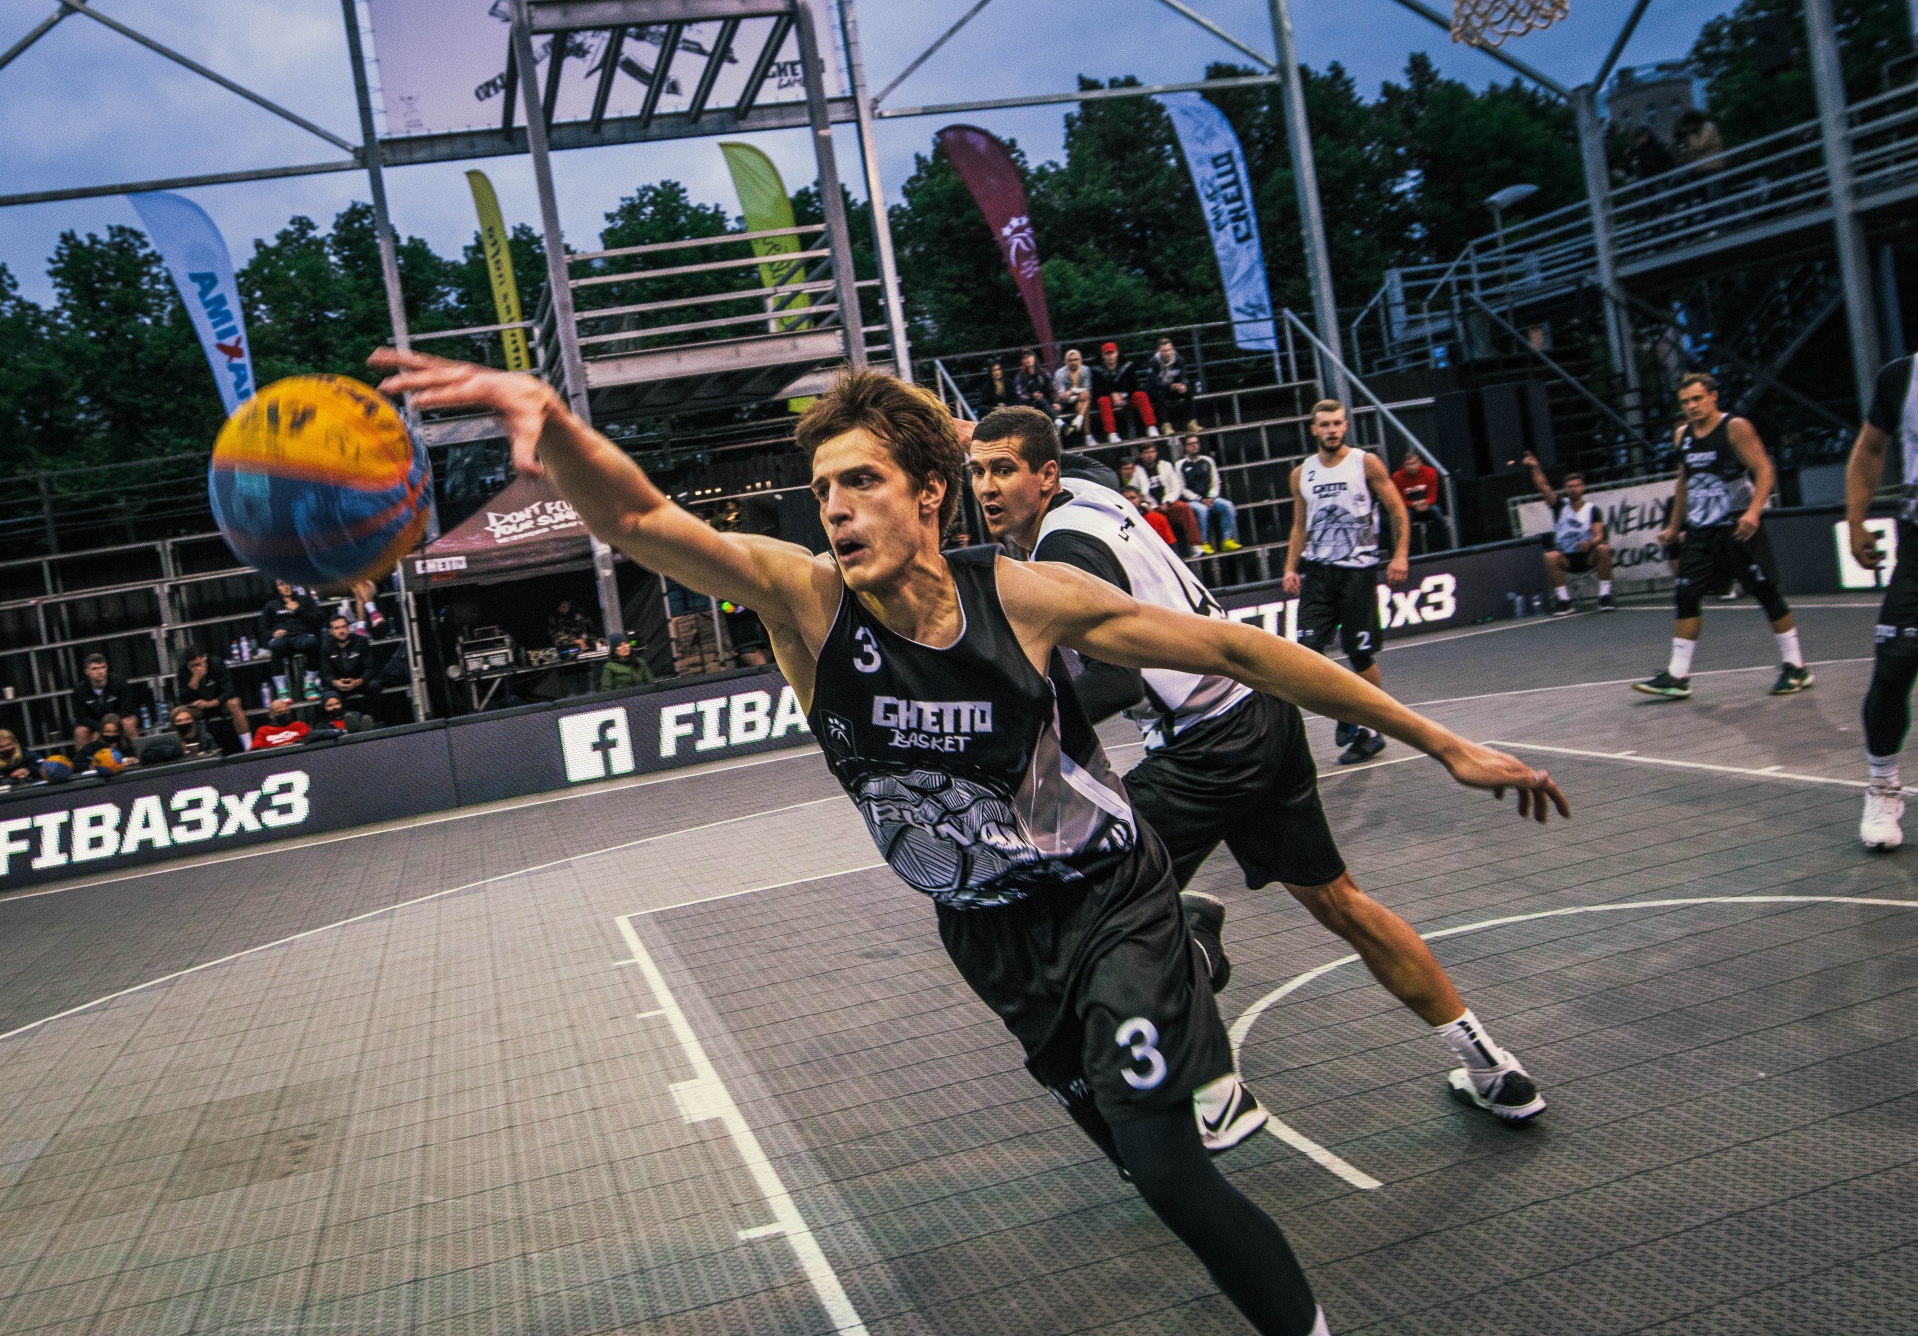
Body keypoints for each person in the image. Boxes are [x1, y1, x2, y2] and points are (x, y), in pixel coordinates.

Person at [374, 348, 1566, 1336]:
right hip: (992, 940)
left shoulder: (1021, 597)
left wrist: (1438, 739)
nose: (836, 508)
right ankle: (1194, 974)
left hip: (1110, 899)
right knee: (1139, 1164)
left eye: (861, 482)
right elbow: (641, 518)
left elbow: (1237, 651)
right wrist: (554, 427)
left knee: (1165, 1163)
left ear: (929, 493)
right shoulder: (806, 605)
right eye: (823, 490)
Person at [970, 404, 1553, 1127]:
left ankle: (1207, 1058)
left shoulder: (1064, 554)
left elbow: (1116, 682)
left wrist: (1010, 733)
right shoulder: (1092, 490)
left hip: (1204, 746)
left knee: (1089, 914)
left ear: (1045, 475)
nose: (985, 487)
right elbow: (1054, 456)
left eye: (1002, 470)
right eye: (976, 471)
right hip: (1261, 719)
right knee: (1340, 901)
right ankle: (1490, 1065)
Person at [1632, 374, 1810, 699]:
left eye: (1697, 399)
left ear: (1713, 396)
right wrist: (1673, 526)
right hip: (1700, 530)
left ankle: (1796, 665)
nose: (1691, 406)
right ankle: (1677, 675)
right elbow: (1684, 481)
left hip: (1737, 525)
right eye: (1685, 402)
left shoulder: (1735, 427)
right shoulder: (1682, 435)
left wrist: (1753, 512)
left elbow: (1764, 470)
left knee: (1765, 593)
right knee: (1686, 594)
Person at [1286, 400, 1412, 765]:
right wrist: (1290, 567)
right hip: (1318, 572)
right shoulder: (1301, 473)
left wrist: (1400, 555)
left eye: (1338, 423)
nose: (1332, 430)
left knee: (1359, 654)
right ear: (1314, 429)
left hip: (1357, 572)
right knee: (1307, 652)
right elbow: (1300, 525)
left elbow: (1397, 510)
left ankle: (1371, 731)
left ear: (1345, 426)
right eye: (1325, 424)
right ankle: (1347, 710)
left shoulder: (1365, 463)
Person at [1842, 353, 1918, 850]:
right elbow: (1870, 449)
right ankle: (1883, 785)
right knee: (1895, 663)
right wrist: (1856, 520)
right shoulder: (1902, 377)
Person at [1523, 453, 1615, 612]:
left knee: (1603, 549)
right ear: (1565, 490)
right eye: (1570, 486)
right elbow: (1543, 486)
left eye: (1577, 486)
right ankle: (1564, 601)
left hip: (1587, 556)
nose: (1573, 489)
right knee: (1550, 556)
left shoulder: (1592, 510)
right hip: (1567, 557)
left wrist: (1590, 543)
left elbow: (1599, 535)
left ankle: (1604, 597)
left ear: (1583, 488)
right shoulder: (1559, 506)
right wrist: (1535, 467)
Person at [1118, 456, 1202, 556]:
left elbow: (1176, 487)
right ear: (1120, 470)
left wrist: (1167, 502)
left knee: (1183, 508)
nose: (1129, 471)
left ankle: (1195, 545)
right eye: (1126, 469)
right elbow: (1140, 495)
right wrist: (1144, 505)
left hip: (1165, 502)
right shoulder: (1122, 480)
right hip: (1141, 509)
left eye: (1131, 468)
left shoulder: (1165, 466)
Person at [1175, 432, 1240, 552]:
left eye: (1196, 443)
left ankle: (1227, 540)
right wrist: (1200, 499)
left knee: (1228, 505)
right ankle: (1203, 542)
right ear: (1185, 447)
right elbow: (1181, 489)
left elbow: (1215, 482)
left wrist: (1211, 497)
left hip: (1210, 498)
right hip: (1191, 501)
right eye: (1190, 444)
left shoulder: (1208, 461)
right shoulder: (1180, 465)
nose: (1194, 446)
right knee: (1202, 510)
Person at [177, 646, 251, 751]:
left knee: (234, 703)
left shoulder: (216, 663)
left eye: (198, 664)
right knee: (179, 713)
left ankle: (248, 746)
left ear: (204, 658)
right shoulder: (183, 669)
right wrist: (194, 680)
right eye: (192, 666)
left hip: (220, 703)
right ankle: (187, 750)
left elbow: (230, 690)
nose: (196, 668)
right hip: (200, 707)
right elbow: (183, 699)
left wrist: (211, 703)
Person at [259, 580, 324, 680]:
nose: (286, 586)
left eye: (288, 583)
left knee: (312, 643)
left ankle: (310, 682)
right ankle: (281, 687)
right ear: (276, 588)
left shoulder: (305, 600)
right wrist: (273, 634)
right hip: (282, 639)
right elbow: (262, 630)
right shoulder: (271, 605)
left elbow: (319, 621)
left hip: (302, 636)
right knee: (276, 646)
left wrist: (299, 609)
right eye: (281, 584)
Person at [1095, 341, 1158, 441]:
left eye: (1112, 353)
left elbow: (1134, 384)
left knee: (1141, 395)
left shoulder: (1128, 365)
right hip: (1109, 399)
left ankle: (1151, 426)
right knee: (1103, 400)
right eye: (1107, 354)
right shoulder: (1096, 369)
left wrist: (1124, 395)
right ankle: (1111, 433)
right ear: (1102, 355)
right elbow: (1098, 389)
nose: (1110, 356)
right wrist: (1112, 394)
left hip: (1126, 397)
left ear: (1117, 353)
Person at [70, 653, 136, 749]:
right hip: (95, 723)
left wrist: (110, 725)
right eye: (95, 669)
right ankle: (84, 758)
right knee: (80, 731)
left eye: (102, 667)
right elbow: (81, 717)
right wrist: (101, 727)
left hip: (118, 718)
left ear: (107, 668)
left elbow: (127, 709)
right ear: (86, 671)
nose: (100, 672)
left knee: (128, 723)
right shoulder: (80, 689)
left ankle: (137, 754)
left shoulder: (119, 682)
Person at [319, 614, 376, 712]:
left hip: (359, 682)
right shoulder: (326, 646)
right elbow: (325, 674)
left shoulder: (361, 641)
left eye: (344, 627)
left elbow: (370, 668)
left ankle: (372, 716)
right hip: (338, 685)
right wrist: (335, 683)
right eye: (337, 628)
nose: (341, 631)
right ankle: (338, 719)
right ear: (330, 631)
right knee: (327, 693)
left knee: (374, 686)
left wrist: (358, 681)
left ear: (349, 628)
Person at [1145, 336, 1198, 432]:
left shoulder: (1179, 359)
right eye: (1164, 351)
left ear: (1172, 349)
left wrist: (1182, 384)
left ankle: (1191, 422)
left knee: (1188, 390)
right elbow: (1154, 383)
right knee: (1160, 394)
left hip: (1172, 389)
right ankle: (1165, 425)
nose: (1167, 353)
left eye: (1169, 350)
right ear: (1159, 351)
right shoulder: (1153, 362)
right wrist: (1169, 386)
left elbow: (1184, 375)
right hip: (1157, 390)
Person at [1052, 347, 1094, 444]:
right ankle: (1087, 434)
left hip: (1080, 402)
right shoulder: (1060, 373)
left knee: (1082, 402)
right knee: (1085, 399)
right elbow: (1062, 396)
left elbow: (1088, 389)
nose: (1073, 362)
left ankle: (1081, 424)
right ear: (1066, 362)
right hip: (1065, 404)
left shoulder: (1086, 370)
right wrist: (1077, 395)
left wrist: (1072, 391)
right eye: (1070, 360)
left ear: (1080, 360)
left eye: (1076, 359)